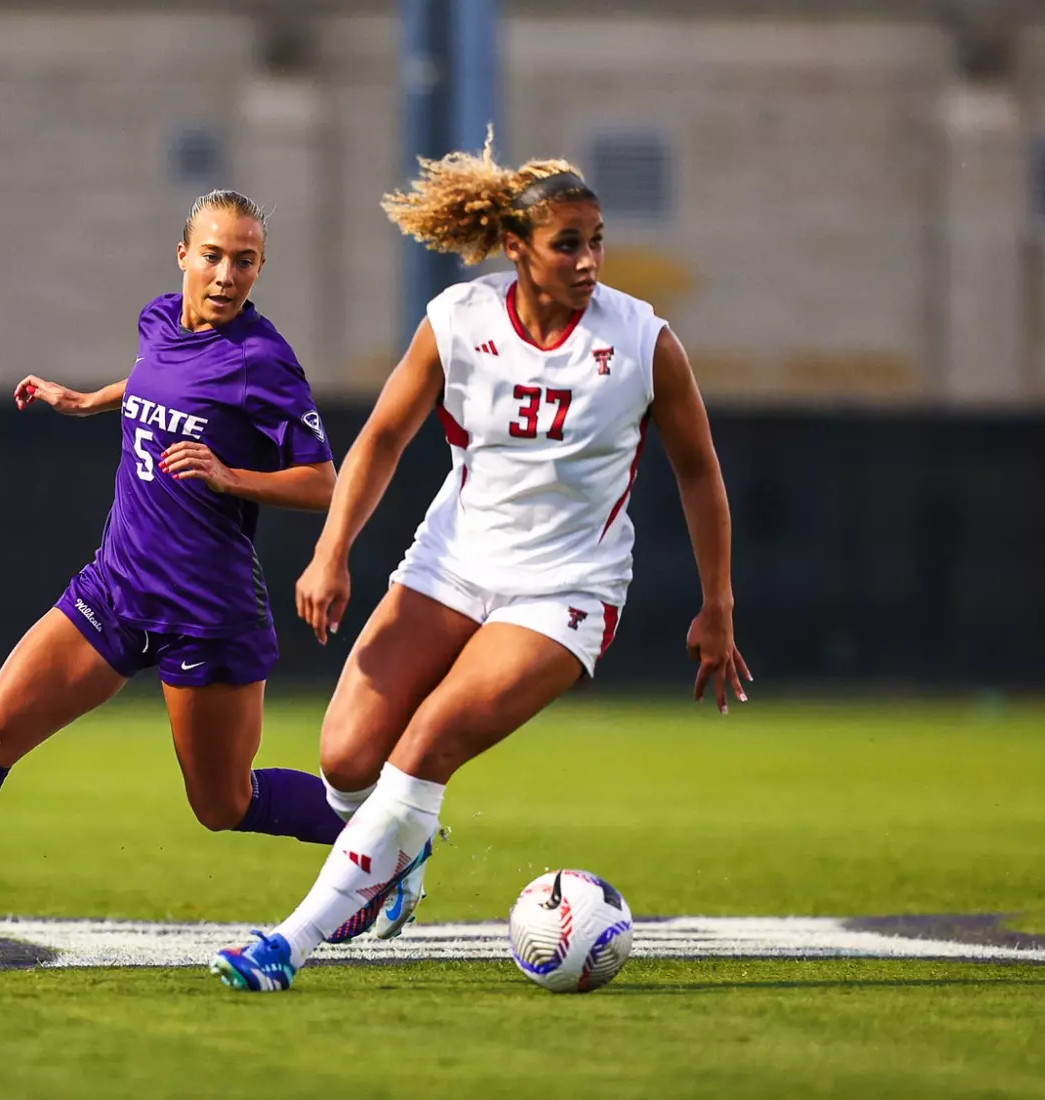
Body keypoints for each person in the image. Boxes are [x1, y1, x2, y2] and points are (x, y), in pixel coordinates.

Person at [210, 142, 752, 993]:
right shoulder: (459, 320)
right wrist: (332, 552)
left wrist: (716, 605)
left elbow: (698, 469)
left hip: (566, 591)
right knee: (347, 757)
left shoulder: (643, 340)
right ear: (517, 249)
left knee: (423, 747)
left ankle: (290, 943)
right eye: (567, 243)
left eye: (596, 241)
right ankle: (402, 855)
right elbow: (383, 436)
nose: (587, 261)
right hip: (451, 565)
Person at [0, 190, 361, 959]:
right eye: (213, 255)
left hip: (206, 609)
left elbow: (325, 481)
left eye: (245, 260)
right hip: (115, 589)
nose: (227, 274)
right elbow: (159, 382)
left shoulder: (262, 360)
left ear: (259, 268)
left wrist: (231, 476)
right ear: (182, 255)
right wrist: (90, 400)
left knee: (223, 803)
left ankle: (383, 835)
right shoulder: (159, 320)